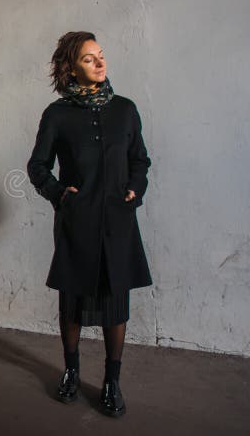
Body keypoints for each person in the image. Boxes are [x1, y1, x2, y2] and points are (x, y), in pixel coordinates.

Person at [26, 31, 152, 417]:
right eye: (88, 59)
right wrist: (60, 194)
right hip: (77, 222)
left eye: (101, 55)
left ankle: (112, 381)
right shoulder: (58, 115)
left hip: (117, 219)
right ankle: (71, 372)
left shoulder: (126, 110)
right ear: (71, 68)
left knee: (116, 303)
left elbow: (140, 160)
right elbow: (38, 167)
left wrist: (135, 188)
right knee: (73, 302)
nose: (100, 63)